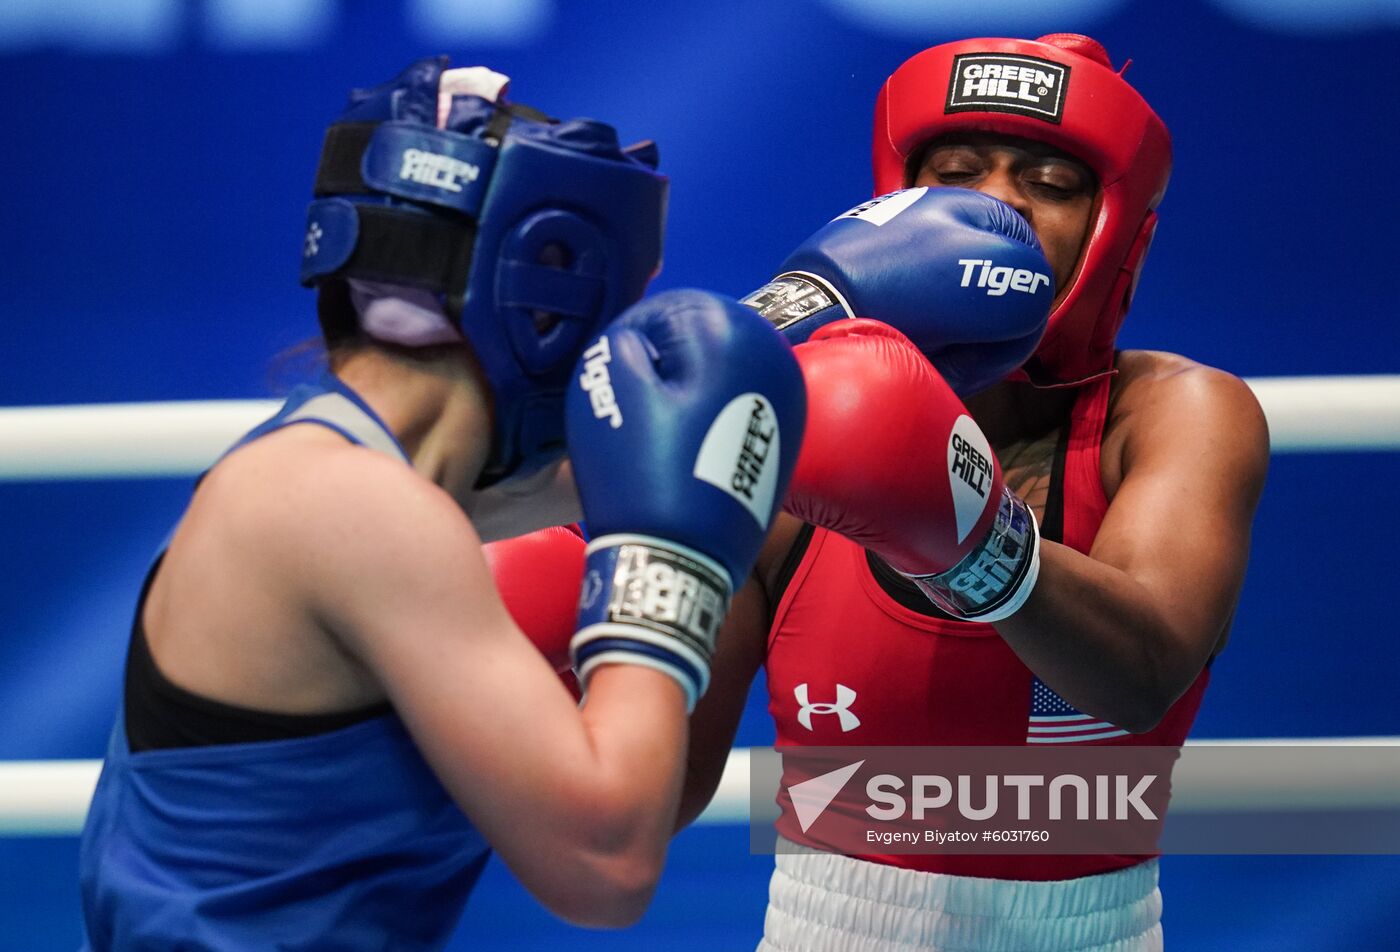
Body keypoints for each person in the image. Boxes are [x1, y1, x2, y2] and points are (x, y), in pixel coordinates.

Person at [489, 33, 1270, 951]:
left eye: (1049, 184)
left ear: (1114, 229)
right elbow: (661, 794)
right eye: (958, 173)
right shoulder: (800, 426)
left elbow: (1140, 674)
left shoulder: (1175, 412)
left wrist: (963, 529)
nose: (997, 207)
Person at [76, 57, 807, 951]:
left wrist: (818, 334)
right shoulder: (350, 508)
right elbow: (606, 862)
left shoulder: (330, 467)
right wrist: (674, 561)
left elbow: (612, 475)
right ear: (554, 282)